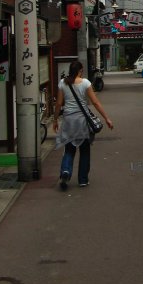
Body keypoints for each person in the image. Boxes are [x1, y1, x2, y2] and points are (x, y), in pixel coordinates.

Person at [53, 60, 113, 189]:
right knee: (85, 150)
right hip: (82, 121)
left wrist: (55, 120)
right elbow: (96, 103)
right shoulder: (85, 83)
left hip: (68, 120)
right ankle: (83, 180)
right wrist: (106, 118)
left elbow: (58, 104)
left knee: (69, 148)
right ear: (80, 71)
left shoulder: (63, 83)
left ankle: (66, 171)